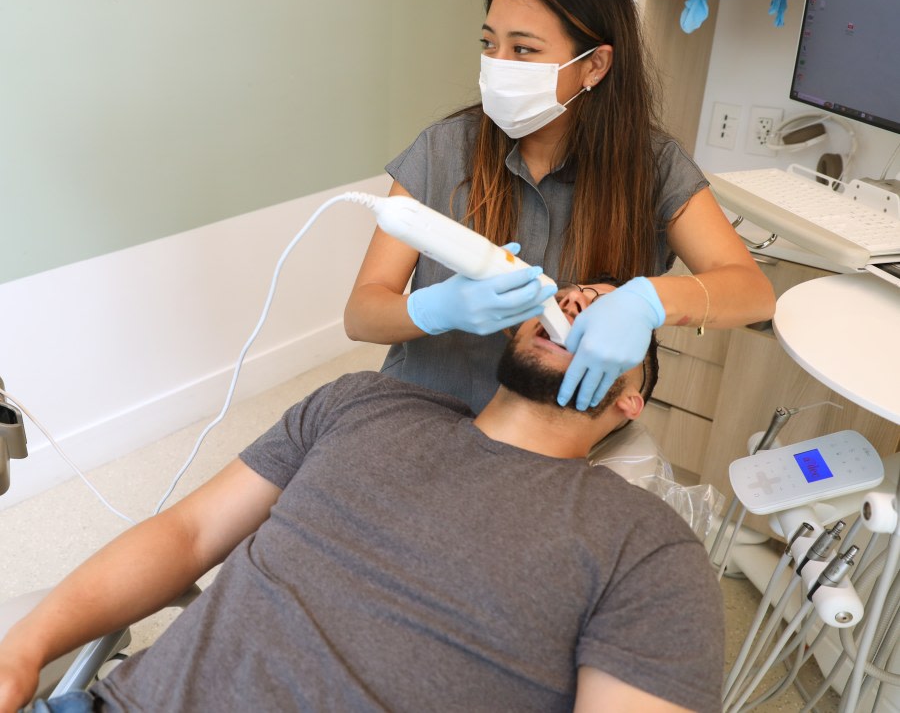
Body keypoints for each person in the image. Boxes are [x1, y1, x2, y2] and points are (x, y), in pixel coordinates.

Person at [0, 286, 724, 713]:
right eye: (574, 294)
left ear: (631, 399)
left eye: (610, 313)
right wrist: (23, 652)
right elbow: (188, 534)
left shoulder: (648, 546)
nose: (582, 302)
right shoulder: (366, 405)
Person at [344, 0, 775, 415]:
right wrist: (435, 309)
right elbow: (361, 315)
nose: (498, 63)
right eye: (490, 44)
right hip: (422, 409)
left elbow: (752, 293)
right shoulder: (444, 149)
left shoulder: (654, 168)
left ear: (594, 65)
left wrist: (646, 302)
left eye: (523, 49)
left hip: (550, 430)